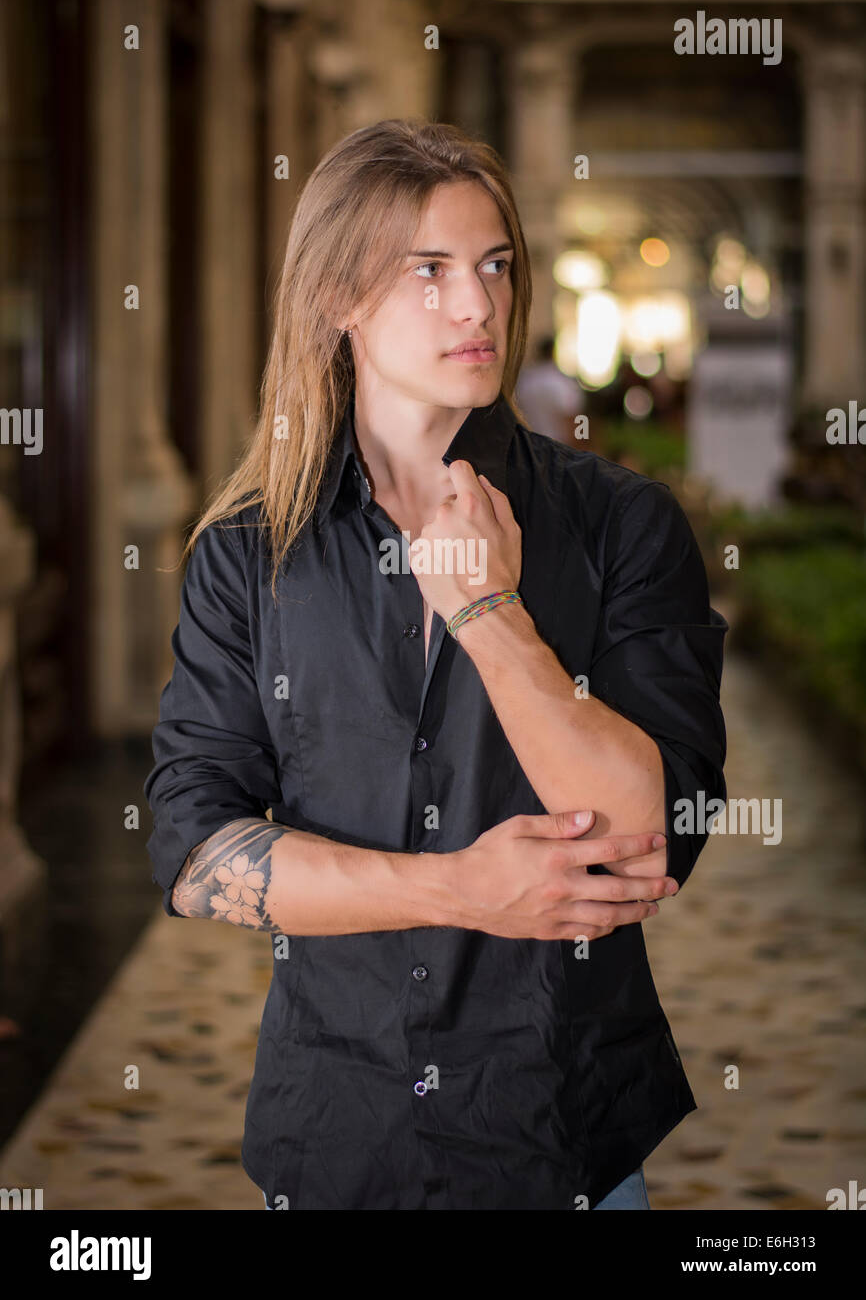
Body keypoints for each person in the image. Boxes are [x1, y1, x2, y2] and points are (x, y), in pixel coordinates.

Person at [144, 118, 728, 1212]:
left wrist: (491, 613)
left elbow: (651, 838)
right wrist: (459, 888)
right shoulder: (248, 552)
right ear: (336, 298)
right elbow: (190, 847)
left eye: (493, 266)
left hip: (562, 1142)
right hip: (334, 1139)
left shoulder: (621, 527)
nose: (477, 306)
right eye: (428, 271)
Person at [514, 334, 586, 444]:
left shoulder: (525, 382)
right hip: (557, 445)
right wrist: (580, 442)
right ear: (554, 353)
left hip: (528, 444)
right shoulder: (561, 383)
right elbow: (575, 419)